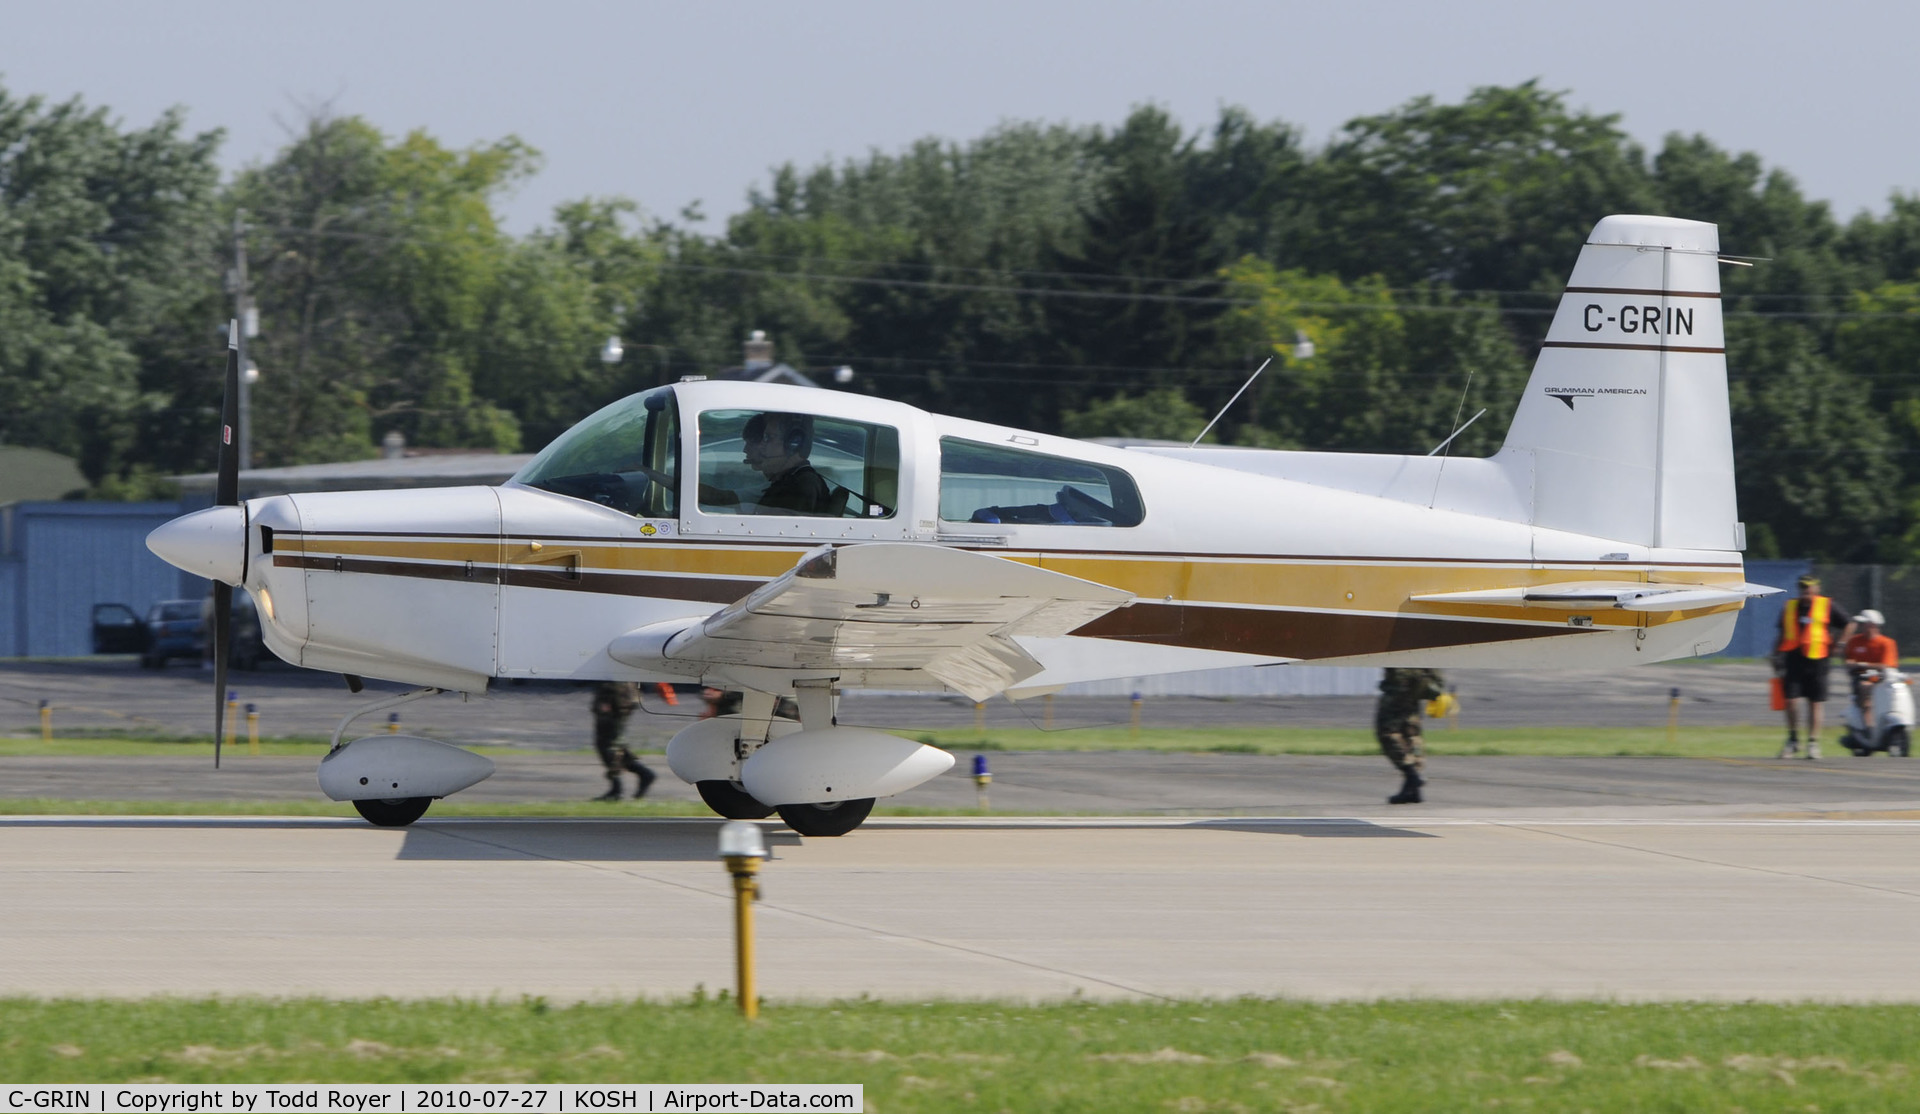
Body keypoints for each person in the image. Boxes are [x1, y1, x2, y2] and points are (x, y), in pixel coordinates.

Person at [1774, 574, 1853, 760]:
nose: (1805, 591)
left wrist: (1840, 644)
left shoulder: (1826, 605)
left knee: (1815, 703)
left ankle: (1812, 743)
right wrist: (1775, 654)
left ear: (1816, 588)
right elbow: (1782, 632)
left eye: (1809, 587)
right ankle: (1793, 740)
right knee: (1791, 700)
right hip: (1793, 657)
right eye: (1802, 588)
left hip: (1818, 658)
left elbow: (1849, 623)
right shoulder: (1790, 606)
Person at [700, 412, 834, 515]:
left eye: (768, 438)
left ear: (793, 444)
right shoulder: (786, 483)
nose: (762, 446)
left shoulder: (801, 487)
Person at [1377, 667, 1445, 804]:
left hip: (1398, 688)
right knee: (1411, 734)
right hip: (1415, 688)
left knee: (1387, 732)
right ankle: (1412, 790)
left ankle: (1412, 775)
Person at [590, 681, 656, 801]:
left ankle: (618, 789)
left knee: (608, 746)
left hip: (614, 698)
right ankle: (643, 774)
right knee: (614, 745)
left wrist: (606, 700)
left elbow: (611, 677)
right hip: (619, 697)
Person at [1842, 608, 1899, 729]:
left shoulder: (1886, 643)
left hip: (1881, 678)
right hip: (1861, 676)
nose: (1861, 626)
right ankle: (1868, 726)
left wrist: (1862, 664)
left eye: (1864, 624)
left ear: (1873, 625)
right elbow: (1849, 661)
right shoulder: (1854, 641)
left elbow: (1886, 665)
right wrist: (1851, 664)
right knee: (1864, 686)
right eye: (1861, 624)